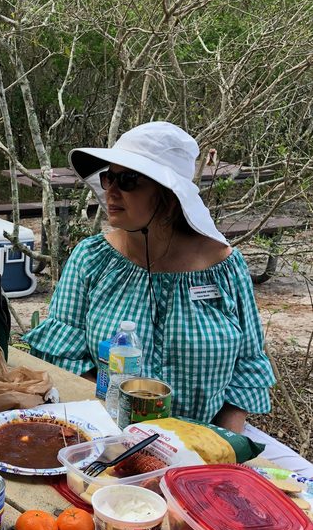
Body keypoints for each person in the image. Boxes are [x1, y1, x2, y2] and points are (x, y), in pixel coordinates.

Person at [24, 121, 275, 431]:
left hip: (204, 445)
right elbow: (62, 355)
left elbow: (247, 367)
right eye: (108, 177)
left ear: (169, 196)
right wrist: (114, 427)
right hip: (104, 435)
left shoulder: (226, 269)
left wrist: (220, 447)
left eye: (128, 180)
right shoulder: (92, 259)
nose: (111, 190)